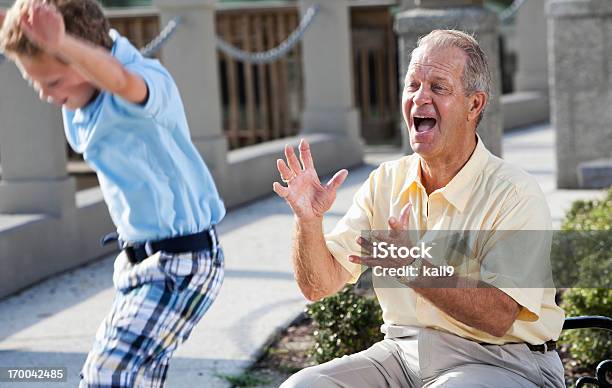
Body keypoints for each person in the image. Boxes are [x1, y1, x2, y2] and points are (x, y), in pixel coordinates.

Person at [273, 29, 565, 387]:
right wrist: (309, 222)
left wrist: (414, 267)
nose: (420, 98)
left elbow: (498, 316)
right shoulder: (386, 182)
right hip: (402, 354)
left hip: (502, 360)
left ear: (474, 105)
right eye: (412, 85)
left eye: (438, 87)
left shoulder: (514, 193)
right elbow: (320, 285)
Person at [0, 1, 225, 386]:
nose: (45, 95)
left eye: (52, 82)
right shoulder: (80, 99)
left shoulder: (146, 84)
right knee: (111, 376)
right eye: (34, 82)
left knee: (109, 374)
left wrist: (63, 43)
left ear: (85, 58)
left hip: (183, 263)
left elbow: (119, 80)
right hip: (136, 265)